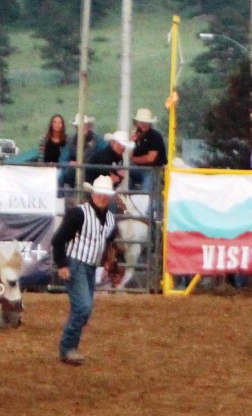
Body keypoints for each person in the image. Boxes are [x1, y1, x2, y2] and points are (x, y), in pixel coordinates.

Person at [51, 174, 117, 365]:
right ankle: (67, 347)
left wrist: (108, 261)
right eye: (99, 194)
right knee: (83, 307)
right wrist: (62, 264)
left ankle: (70, 347)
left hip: (89, 266)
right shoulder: (78, 214)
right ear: (93, 194)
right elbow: (58, 240)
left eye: (105, 194)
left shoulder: (110, 219)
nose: (102, 197)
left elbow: (109, 241)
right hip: (75, 263)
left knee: (83, 309)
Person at [129, 108, 168, 191]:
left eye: (146, 123)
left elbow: (150, 158)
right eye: (141, 122)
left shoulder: (155, 136)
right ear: (136, 124)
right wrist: (131, 143)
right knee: (124, 172)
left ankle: (146, 201)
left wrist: (134, 159)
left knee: (148, 176)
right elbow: (128, 155)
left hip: (154, 169)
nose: (143, 125)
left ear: (150, 124)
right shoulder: (135, 137)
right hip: (137, 168)